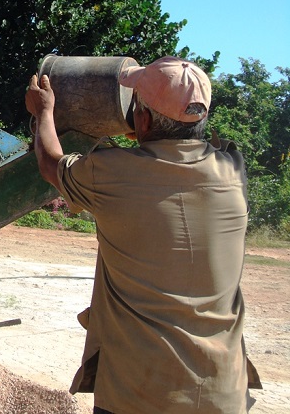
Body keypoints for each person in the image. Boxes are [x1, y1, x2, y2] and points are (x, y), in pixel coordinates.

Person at [25, 56, 261, 413]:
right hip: (223, 395)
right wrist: (148, 129)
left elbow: (50, 162)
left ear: (143, 118)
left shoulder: (110, 172)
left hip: (137, 394)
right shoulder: (232, 171)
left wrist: (44, 112)